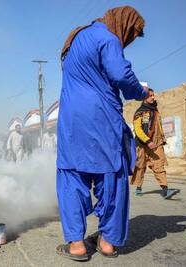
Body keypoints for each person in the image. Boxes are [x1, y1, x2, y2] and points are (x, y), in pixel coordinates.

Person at [56, 6, 148, 261]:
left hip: (71, 120)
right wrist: (142, 93)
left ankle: (76, 245)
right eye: (131, 35)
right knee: (111, 174)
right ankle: (107, 242)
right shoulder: (108, 39)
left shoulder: (77, 38)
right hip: (101, 117)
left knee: (72, 175)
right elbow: (120, 73)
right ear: (125, 25)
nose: (128, 41)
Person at [130, 89, 179, 199]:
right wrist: (147, 141)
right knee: (140, 166)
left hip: (157, 143)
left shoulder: (155, 111)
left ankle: (165, 189)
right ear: (144, 98)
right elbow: (138, 130)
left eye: (153, 95)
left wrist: (160, 139)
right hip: (143, 143)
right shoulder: (140, 112)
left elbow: (158, 127)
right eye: (150, 96)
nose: (153, 97)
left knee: (159, 164)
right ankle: (139, 186)